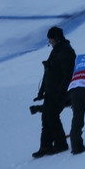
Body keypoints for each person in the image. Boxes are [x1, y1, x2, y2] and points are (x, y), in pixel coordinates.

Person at [32, 26, 76, 158]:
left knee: (52, 117)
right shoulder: (57, 50)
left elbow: (68, 75)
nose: (50, 42)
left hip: (60, 93)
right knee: (46, 117)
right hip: (51, 92)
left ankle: (61, 144)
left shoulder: (66, 51)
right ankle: (45, 146)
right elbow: (48, 73)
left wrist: (60, 92)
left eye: (51, 40)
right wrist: (41, 92)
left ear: (56, 38)